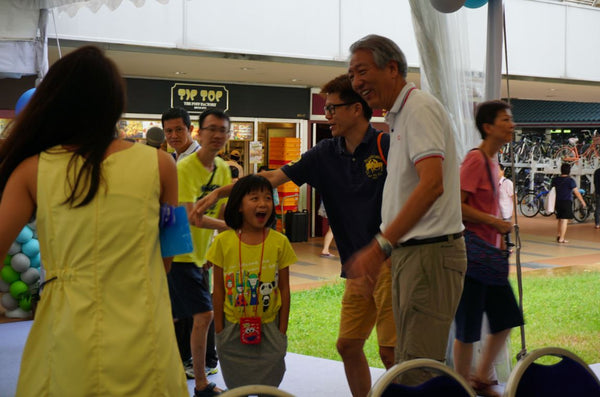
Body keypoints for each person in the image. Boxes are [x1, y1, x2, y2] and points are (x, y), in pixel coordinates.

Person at [0, 46, 188, 396]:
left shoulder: (32, 170)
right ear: (114, 104)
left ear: (54, 102)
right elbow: (170, 254)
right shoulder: (162, 165)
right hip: (144, 335)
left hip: (66, 335)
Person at [193, 74, 395, 397]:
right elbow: (270, 178)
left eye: (332, 109)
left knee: (391, 353)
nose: (327, 116)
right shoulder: (325, 152)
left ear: (356, 109)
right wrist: (220, 194)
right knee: (347, 344)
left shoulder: (387, 146)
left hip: (389, 262)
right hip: (358, 268)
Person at [346, 34, 466, 385]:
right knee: (408, 361)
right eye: (352, 74)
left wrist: (381, 245)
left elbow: (431, 185)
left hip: (429, 255)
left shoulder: (419, 109)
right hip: (411, 255)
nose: (357, 82)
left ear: (393, 68)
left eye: (362, 71)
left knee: (418, 370)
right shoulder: (399, 117)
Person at [452, 100, 523, 397]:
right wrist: (494, 222)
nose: (511, 125)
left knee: (507, 318)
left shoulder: (493, 163)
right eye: (505, 120)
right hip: (473, 258)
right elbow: (458, 205)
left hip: (491, 260)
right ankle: (462, 386)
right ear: (488, 127)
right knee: (467, 328)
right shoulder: (475, 160)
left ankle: (479, 378)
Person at [206, 174, 296, 389]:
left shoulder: (279, 242)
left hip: (269, 328)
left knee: (269, 387)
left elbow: (284, 288)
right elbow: (217, 289)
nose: (263, 203)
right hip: (232, 329)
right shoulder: (222, 242)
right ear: (238, 206)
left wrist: (281, 330)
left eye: (267, 198)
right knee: (238, 389)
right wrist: (219, 328)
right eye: (254, 198)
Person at [170, 108, 233, 396]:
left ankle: (186, 376)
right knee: (204, 315)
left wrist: (216, 249)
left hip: (199, 257)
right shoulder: (183, 168)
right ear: (200, 132)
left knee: (182, 317)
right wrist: (235, 229)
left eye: (223, 130)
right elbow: (191, 217)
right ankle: (202, 384)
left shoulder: (222, 169)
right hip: (178, 254)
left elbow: (219, 216)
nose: (217, 135)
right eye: (212, 129)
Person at [161, 107, 218, 381]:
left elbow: (214, 207)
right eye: (169, 130)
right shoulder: (172, 159)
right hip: (176, 242)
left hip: (197, 246)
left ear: (190, 129)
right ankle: (193, 358)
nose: (173, 135)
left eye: (178, 130)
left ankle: (205, 360)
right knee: (185, 305)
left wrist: (211, 247)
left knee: (198, 306)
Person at [552, 162, 586, 243]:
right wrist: (582, 201)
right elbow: (576, 192)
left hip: (557, 202)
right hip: (566, 201)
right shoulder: (570, 180)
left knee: (560, 219)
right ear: (569, 171)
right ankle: (562, 238)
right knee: (564, 220)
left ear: (561, 170)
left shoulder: (555, 180)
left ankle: (558, 235)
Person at [498, 164, 514, 250]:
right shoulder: (493, 183)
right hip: (497, 214)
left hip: (505, 213)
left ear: (502, 171)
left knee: (506, 234)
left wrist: (514, 213)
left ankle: (508, 249)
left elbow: (514, 196)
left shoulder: (507, 183)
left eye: (498, 170)